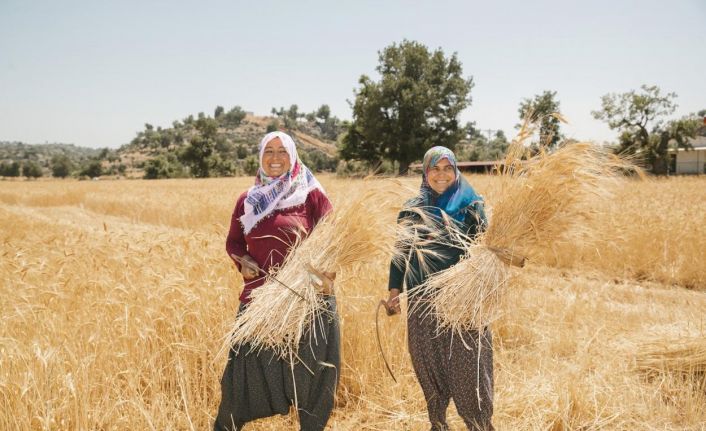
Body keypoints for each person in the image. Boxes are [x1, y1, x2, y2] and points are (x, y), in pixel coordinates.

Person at [214, 131, 339, 431]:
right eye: (268, 151)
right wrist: (243, 262)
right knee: (241, 374)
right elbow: (234, 243)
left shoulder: (311, 195)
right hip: (261, 298)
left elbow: (335, 239)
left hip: (307, 296)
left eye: (282, 151)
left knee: (313, 371)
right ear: (259, 156)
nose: (274, 157)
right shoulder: (248, 200)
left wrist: (325, 273)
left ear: (293, 156)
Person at [386, 146, 493, 431]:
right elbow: (400, 254)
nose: (441, 174)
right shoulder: (412, 209)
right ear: (425, 171)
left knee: (469, 365)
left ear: (456, 170)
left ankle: (478, 424)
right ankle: (438, 423)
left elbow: (487, 249)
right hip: (421, 300)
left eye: (448, 168)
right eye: (435, 168)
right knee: (429, 364)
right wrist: (394, 292)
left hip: (462, 300)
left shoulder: (471, 206)